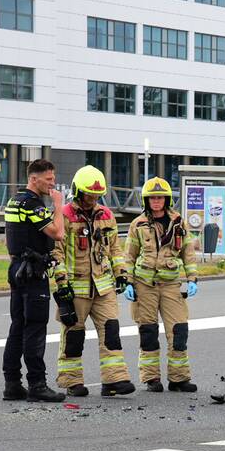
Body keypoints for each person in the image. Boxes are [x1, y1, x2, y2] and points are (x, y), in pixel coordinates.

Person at [51, 165, 135, 397]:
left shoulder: (106, 216)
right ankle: (71, 381)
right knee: (73, 336)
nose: (93, 199)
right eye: (89, 194)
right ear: (78, 191)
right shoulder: (65, 216)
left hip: (103, 285)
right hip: (74, 288)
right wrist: (61, 282)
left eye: (97, 195)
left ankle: (114, 380)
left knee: (111, 331)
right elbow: (55, 253)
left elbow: (115, 248)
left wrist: (121, 273)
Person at [123, 177, 200, 392]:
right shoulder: (137, 224)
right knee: (148, 332)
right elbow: (128, 256)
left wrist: (192, 278)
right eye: (152, 198)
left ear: (167, 200)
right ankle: (151, 379)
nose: (156, 201)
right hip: (144, 285)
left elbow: (188, 252)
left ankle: (178, 379)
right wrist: (128, 283)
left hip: (170, 284)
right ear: (146, 201)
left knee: (179, 331)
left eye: (160, 197)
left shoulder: (178, 222)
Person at [2, 159, 67, 403]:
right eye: (48, 179)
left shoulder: (14, 200)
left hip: (17, 267)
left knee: (17, 326)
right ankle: (37, 384)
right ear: (34, 179)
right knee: (35, 327)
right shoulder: (32, 203)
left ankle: (12, 383)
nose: (52, 184)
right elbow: (58, 233)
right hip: (32, 272)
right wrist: (58, 205)